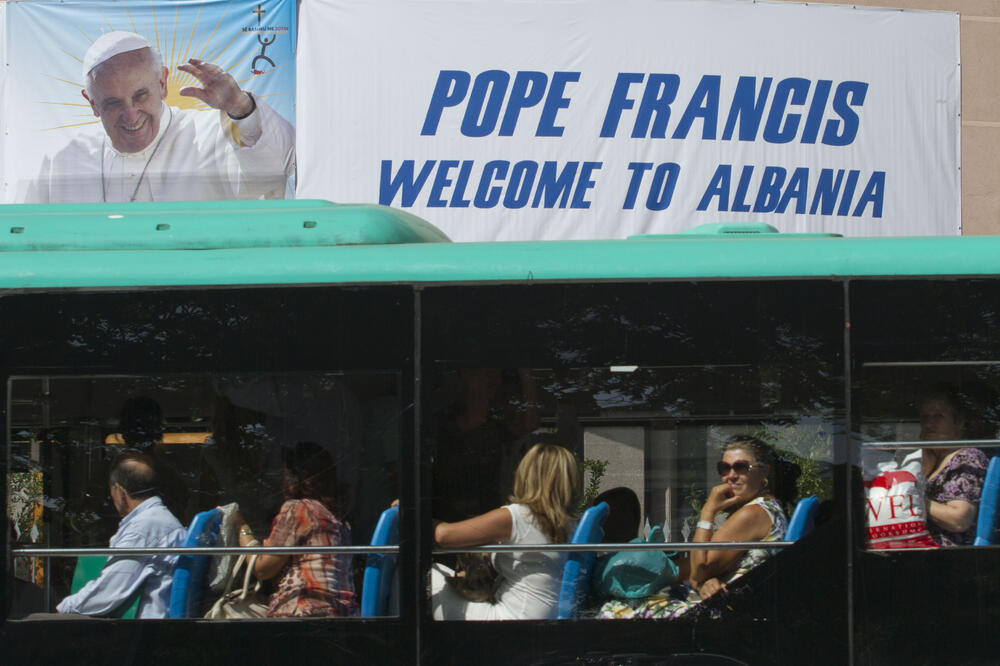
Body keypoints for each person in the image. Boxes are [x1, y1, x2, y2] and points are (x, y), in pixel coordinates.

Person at [24, 31, 295, 203]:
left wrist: (240, 107)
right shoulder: (61, 163)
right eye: (113, 103)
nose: (130, 115)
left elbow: (276, 170)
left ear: (163, 83)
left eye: (140, 95)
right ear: (92, 103)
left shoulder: (213, 134)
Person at [600, 435, 794, 620]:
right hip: (732, 605)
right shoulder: (768, 508)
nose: (731, 476)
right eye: (724, 468)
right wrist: (701, 581)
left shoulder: (752, 513)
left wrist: (708, 511)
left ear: (764, 472)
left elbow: (700, 568)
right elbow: (700, 571)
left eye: (741, 467)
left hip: (728, 612)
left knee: (616, 608)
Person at [428, 442, 581, 620]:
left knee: (420, 574)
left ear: (527, 475)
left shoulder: (518, 516)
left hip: (510, 621)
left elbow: (443, 535)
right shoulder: (570, 523)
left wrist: (410, 511)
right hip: (539, 619)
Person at [233, 441, 357, 617]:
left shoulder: (298, 509)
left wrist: (240, 526)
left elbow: (262, 569)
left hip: (302, 610)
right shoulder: (337, 517)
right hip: (340, 611)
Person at [57, 452, 186, 618]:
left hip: (143, 626)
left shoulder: (143, 527)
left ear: (119, 490)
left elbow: (110, 590)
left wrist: (65, 607)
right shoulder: (155, 519)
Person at [918, 387, 989, 546]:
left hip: (950, 557)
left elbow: (959, 519)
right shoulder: (933, 462)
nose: (929, 424)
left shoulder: (967, 458)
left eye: (938, 417)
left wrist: (911, 500)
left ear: (958, 422)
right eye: (924, 417)